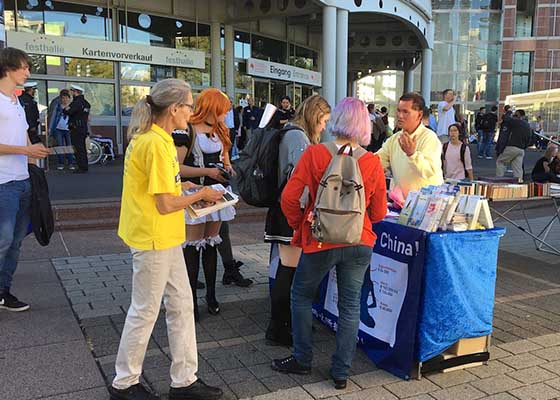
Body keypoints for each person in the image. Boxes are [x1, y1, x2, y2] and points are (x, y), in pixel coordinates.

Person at [109, 78, 224, 400]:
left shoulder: (150, 138)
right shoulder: (157, 144)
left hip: (161, 236)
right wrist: (200, 192)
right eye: (188, 106)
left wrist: (186, 190)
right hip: (154, 237)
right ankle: (124, 384)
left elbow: (163, 189)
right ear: (174, 109)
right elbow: (164, 203)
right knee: (145, 311)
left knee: (181, 305)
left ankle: (185, 380)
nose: (191, 112)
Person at [272, 97, 387, 390]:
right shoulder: (371, 161)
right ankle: (340, 372)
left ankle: (302, 358)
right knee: (350, 306)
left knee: (301, 295)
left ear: (336, 120)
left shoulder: (315, 154)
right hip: (358, 241)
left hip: (320, 239)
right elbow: (378, 213)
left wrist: (301, 223)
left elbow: (288, 198)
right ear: (364, 124)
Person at [264, 95, 331, 346]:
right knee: (288, 271)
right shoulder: (298, 137)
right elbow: (302, 180)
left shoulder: (289, 132)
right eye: (323, 121)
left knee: (287, 269)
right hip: (290, 211)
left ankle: (282, 325)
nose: (324, 127)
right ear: (315, 116)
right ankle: (279, 328)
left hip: (284, 209)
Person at [181, 88, 238, 322]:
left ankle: (212, 296)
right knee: (193, 249)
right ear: (212, 109)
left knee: (212, 245)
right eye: (222, 112)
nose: (225, 116)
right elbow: (177, 169)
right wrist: (208, 171)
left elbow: (226, 163)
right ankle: (191, 301)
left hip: (215, 194)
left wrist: (228, 171)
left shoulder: (221, 131)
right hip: (193, 193)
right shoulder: (187, 131)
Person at [0, 47, 50, 312]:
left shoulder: (15, 100)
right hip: (3, 183)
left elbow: (22, 135)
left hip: (22, 180)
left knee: (16, 241)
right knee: (4, 240)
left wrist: (34, 153)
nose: (28, 72)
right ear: (8, 67)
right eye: (24, 67)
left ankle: (4, 291)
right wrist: (26, 151)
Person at [376, 92, 444, 193]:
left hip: (427, 203)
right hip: (402, 204)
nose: (400, 115)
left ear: (419, 115)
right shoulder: (393, 140)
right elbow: (377, 160)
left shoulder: (429, 138)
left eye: (405, 112)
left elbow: (429, 171)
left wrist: (412, 154)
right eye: (398, 111)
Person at [496, 109, 533, 180]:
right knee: (518, 168)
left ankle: (499, 180)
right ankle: (518, 182)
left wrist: (508, 112)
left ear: (519, 116)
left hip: (512, 146)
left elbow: (506, 118)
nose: (514, 116)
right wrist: (524, 146)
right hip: (521, 149)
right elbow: (529, 138)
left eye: (515, 115)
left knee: (500, 161)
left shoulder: (516, 122)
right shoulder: (527, 125)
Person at [63, 84, 90, 173]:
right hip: (83, 128)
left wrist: (66, 107)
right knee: (82, 148)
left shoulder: (76, 103)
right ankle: (84, 166)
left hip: (76, 129)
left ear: (75, 92)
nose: (71, 93)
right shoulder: (86, 103)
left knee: (78, 149)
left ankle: (81, 167)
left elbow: (67, 111)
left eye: (72, 91)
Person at [49, 89, 76, 170]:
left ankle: (71, 163)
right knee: (60, 146)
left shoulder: (72, 106)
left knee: (69, 145)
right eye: (63, 98)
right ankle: (61, 163)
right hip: (58, 129)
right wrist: (50, 127)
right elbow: (53, 117)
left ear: (69, 98)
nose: (64, 100)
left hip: (68, 129)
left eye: (66, 98)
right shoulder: (58, 106)